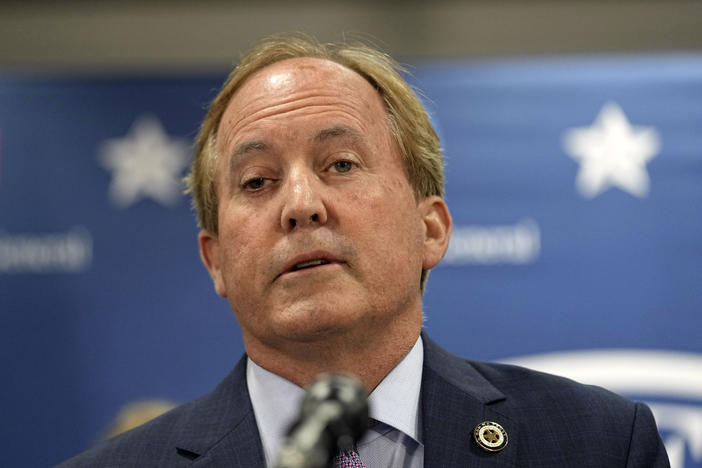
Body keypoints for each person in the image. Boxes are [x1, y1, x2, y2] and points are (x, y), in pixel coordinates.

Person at [57, 33, 670, 467]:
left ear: (430, 228)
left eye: (341, 164)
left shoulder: (599, 446)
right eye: (257, 182)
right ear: (215, 259)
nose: (300, 203)